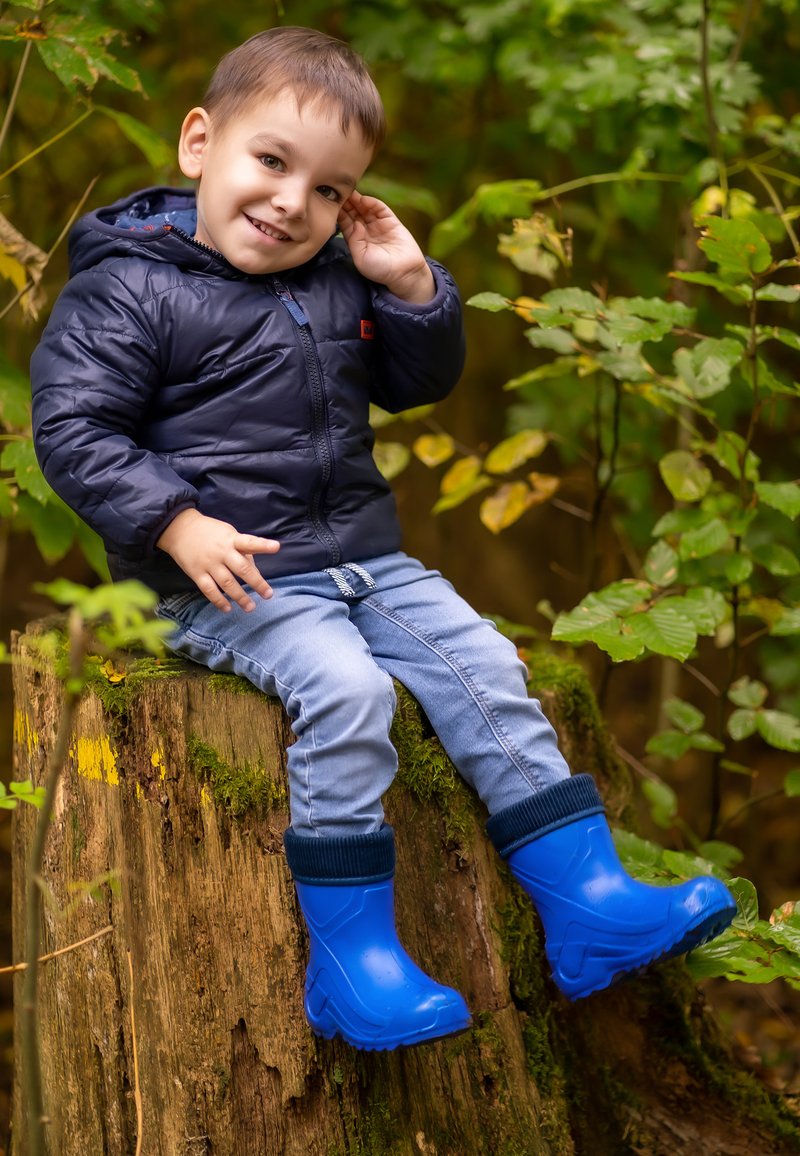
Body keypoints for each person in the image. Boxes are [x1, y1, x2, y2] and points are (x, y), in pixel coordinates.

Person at [30, 26, 737, 1052]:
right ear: (198, 143)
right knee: (349, 693)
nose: (290, 202)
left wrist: (409, 287)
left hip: (365, 557)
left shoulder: (334, 272)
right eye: (270, 161)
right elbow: (74, 429)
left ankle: (587, 903)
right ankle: (353, 964)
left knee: (486, 666)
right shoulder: (129, 285)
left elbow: (415, 381)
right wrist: (175, 522)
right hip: (225, 577)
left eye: (328, 189)